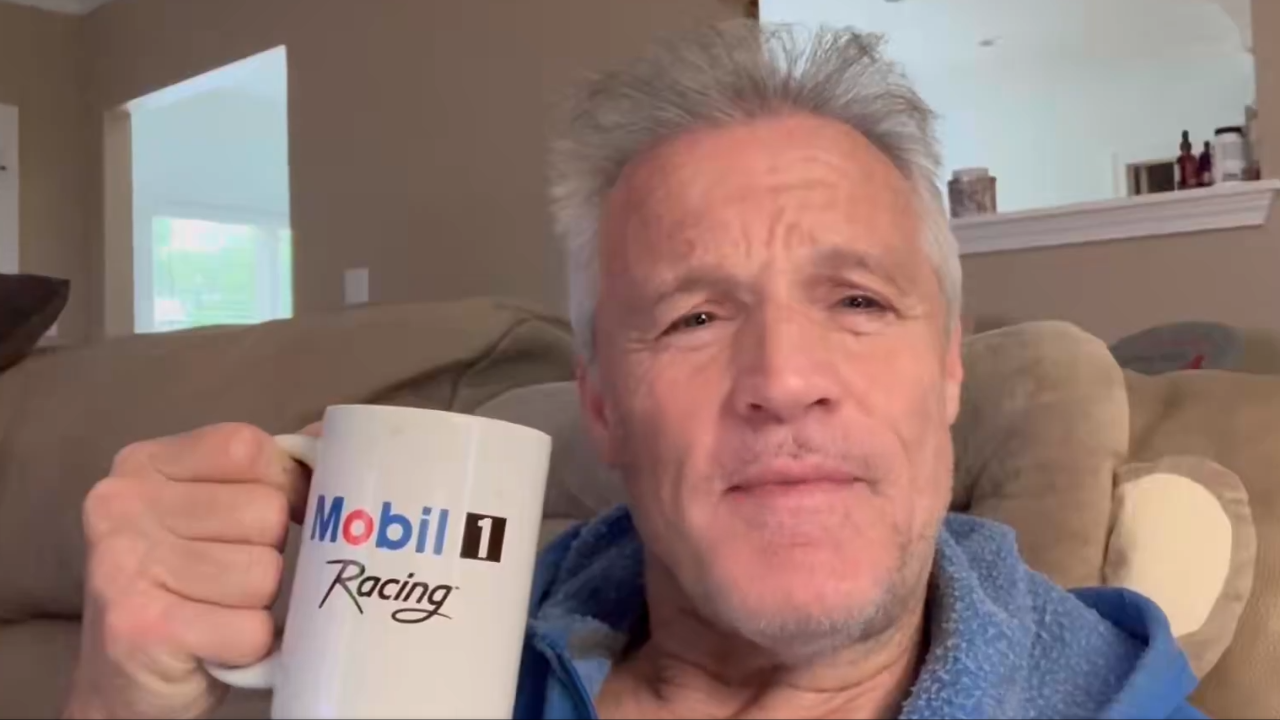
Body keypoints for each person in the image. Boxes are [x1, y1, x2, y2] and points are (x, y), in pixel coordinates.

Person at [64, 19, 1205, 720]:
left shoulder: (1102, 699)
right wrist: (118, 705)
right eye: (695, 317)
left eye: (858, 301)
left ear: (947, 371)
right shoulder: (419, 663)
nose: (783, 378)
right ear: (602, 403)